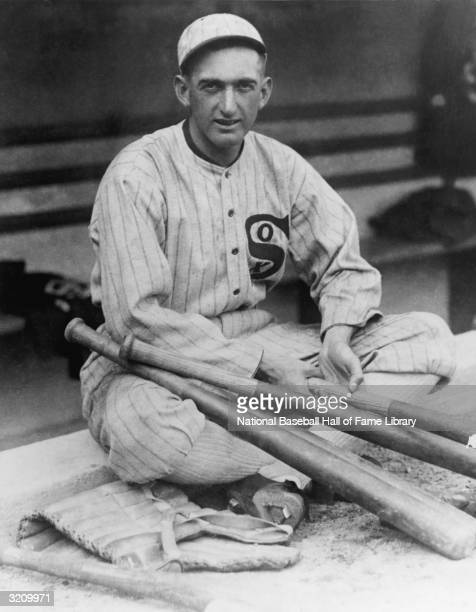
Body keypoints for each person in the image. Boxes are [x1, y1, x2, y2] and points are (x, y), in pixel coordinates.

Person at [80, 14, 456, 495]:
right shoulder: (137, 174)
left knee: (429, 342)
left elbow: (341, 262)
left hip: (260, 345)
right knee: (150, 435)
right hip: (152, 364)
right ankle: (333, 432)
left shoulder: (280, 165)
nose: (228, 106)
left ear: (266, 90)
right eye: (211, 87)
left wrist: (337, 339)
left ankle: (285, 440)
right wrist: (257, 365)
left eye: (244, 87)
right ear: (182, 90)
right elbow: (137, 320)